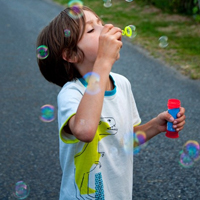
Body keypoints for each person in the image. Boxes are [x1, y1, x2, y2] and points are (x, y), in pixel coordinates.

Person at [36, 5, 186, 200]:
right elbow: (85, 131)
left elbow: (124, 141)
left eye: (101, 23)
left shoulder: (122, 84)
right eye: (91, 30)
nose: (106, 29)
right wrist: (103, 62)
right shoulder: (72, 93)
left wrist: (155, 126)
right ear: (71, 55)